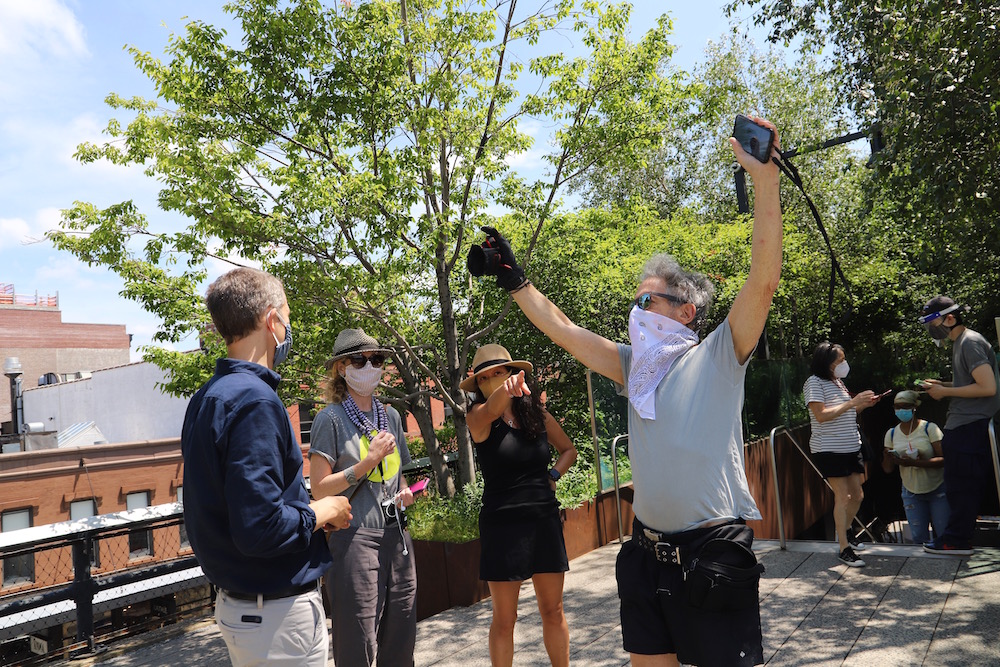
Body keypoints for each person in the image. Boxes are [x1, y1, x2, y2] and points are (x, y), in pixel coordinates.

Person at [468, 116, 782, 667]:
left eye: (648, 303)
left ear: (686, 312)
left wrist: (764, 181)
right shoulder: (633, 366)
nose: (636, 315)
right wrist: (517, 282)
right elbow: (564, 330)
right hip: (646, 555)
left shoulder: (719, 354)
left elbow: (762, 279)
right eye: (633, 304)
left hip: (710, 552)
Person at [181, 267, 352, 667]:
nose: (288, 331)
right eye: (287, 318)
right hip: (277, 616)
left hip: (243, 608)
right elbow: (260, 529)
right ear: (272, 320)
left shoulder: (208, 396)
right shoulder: (256, 401)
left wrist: (304, 517)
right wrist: (322, 511)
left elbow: (237, 507)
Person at [462, 343, 578, 667]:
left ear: (512, 373)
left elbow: (568, 449)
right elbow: (492, 409)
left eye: (499, 373)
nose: (492, 381)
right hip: (502, 525)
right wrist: (506, 391)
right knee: (504, 618)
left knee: (553, 610)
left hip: (543, 517)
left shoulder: (536, 415)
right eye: (484, 378)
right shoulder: (477, 417)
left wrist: (553, 474)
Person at [308, 328, 417, 667]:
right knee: (358, 636)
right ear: (342, 367)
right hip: (354, 538)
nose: (369, 365)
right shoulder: (331, 419)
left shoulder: (391, 416)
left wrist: (403, 492)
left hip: (397, 534)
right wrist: (368, 462)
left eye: (377, 359)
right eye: (359, 359)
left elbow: (396, 473)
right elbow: (319, 488)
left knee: (401, 629)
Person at [918, 295, 1000, 555]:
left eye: (934, 323)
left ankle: (956, 540)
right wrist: (944, 386)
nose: (932, 330)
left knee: (962, 487)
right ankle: (956, 538)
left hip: (971, 425)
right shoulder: (961, 343)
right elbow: (973, 383)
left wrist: (946, 393)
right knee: (959, 485)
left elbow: (988, 387)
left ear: (950, 318)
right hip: (964, 425)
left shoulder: (970, 342)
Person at [803, 341, 881, 567]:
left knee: (858, 496)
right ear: (826, 363)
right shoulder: (814, 383)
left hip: (851, 446)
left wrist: (864, 405)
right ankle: (844, 547)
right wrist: (853, 403)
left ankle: (845, 531)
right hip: (829, 448)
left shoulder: (838, 383)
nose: (844, 364)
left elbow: (846, 412)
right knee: (844, 496)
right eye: (840, 361)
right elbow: (821, 415)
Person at [881, 390, 948, 545]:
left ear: (914, 407)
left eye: (905, 406)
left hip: (937, 489)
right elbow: (887, 469)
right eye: (897, 407)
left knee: (944, 535)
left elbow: (945, 459)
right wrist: (888, 456)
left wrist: (916, 463)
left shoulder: (929, 428)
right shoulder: (891, 434)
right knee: (918, 539)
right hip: (911, 491)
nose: (901, 410)